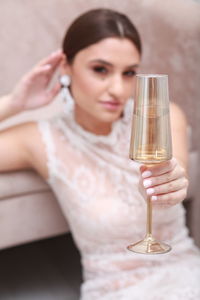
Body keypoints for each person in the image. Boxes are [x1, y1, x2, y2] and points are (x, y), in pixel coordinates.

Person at [0, 8, 200, 300]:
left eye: (129, 73)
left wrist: (173, 183)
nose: (118, 89)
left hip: (187, 275)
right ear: (66, 66)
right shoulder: (41, 139)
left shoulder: (162, 116)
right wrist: (15, 103)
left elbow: (175, 174)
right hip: (115, 290)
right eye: (100, 70)